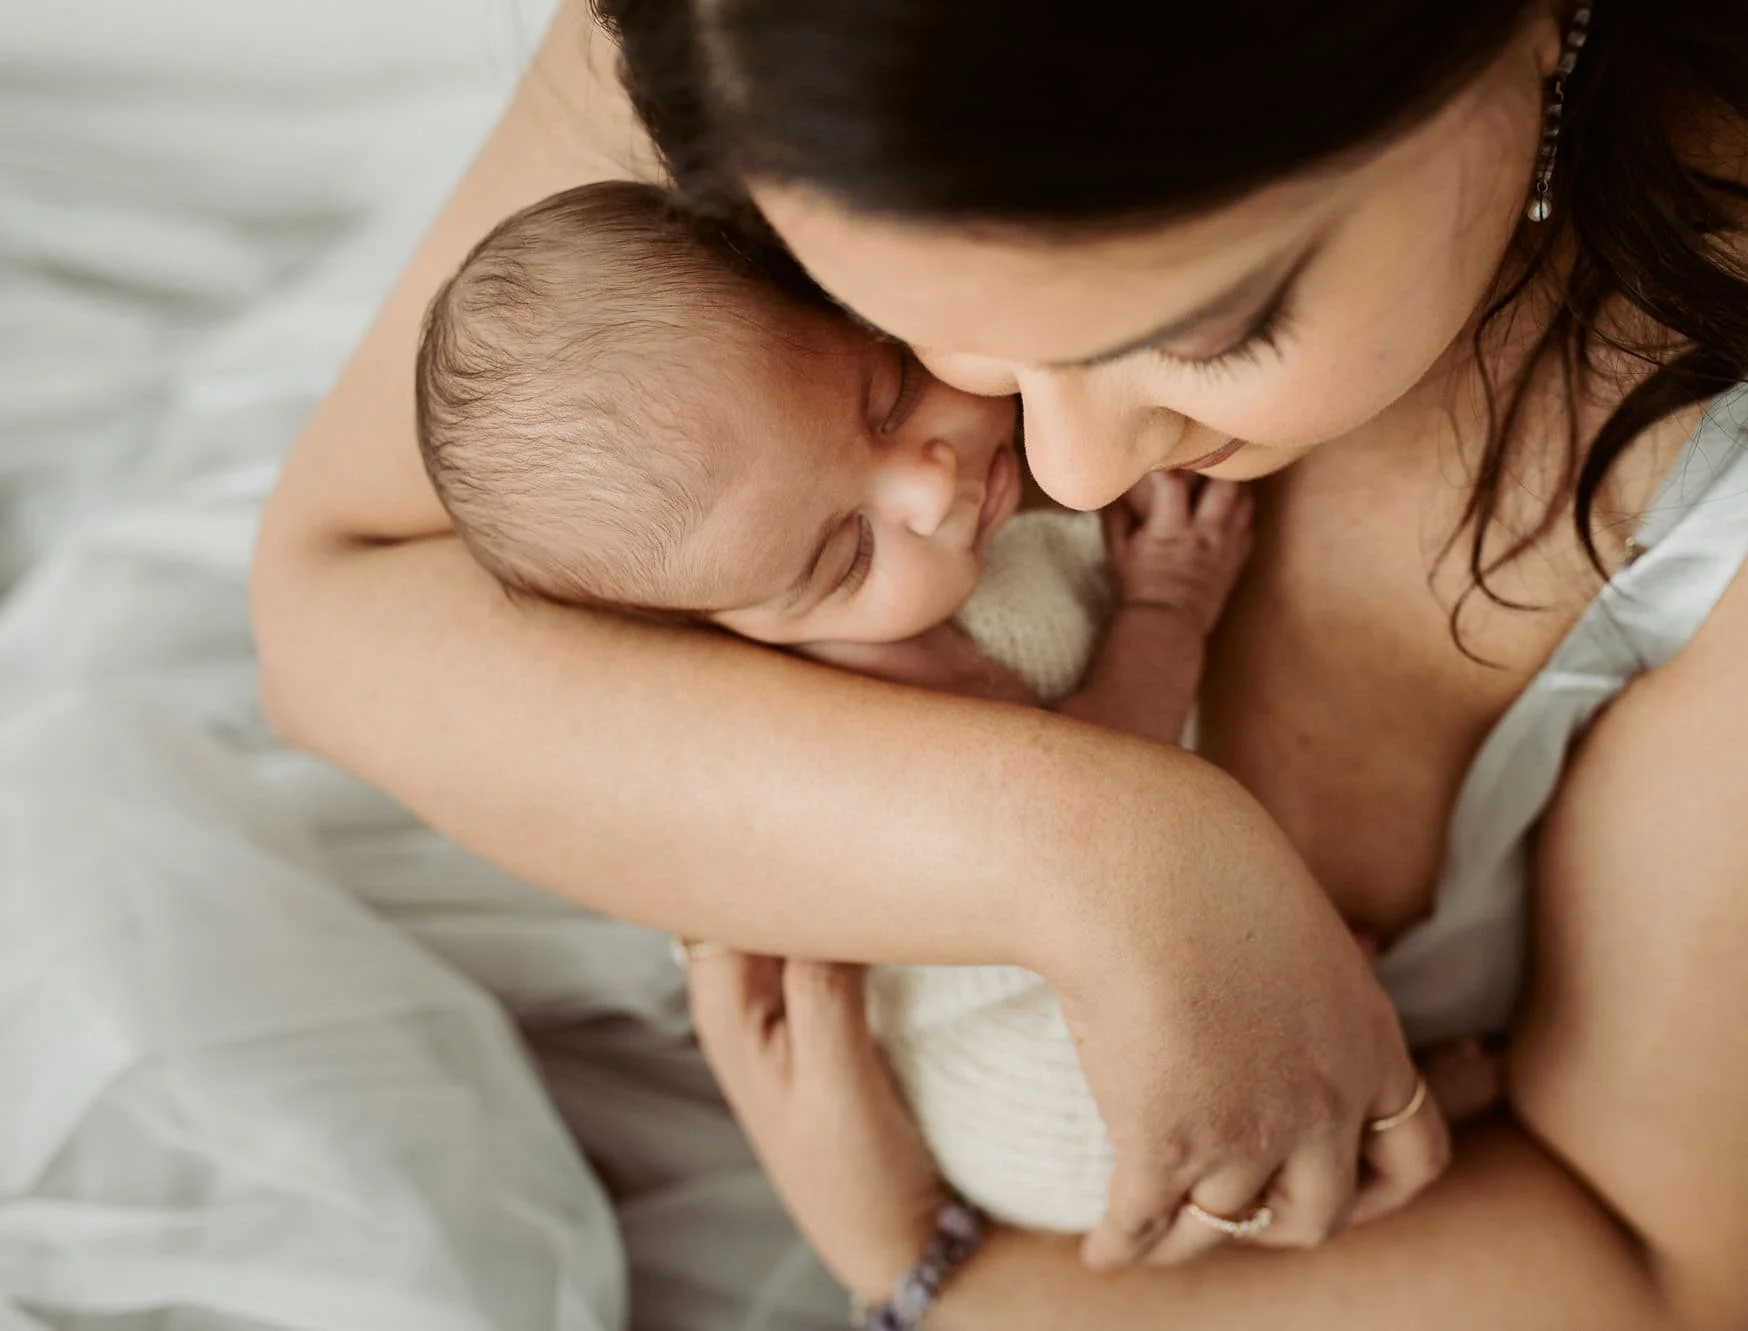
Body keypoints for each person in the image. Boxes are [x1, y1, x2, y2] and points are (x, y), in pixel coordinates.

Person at [251, 0, 1748, 1327]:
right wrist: (1112, 851)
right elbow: (340, 611)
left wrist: (931, 1272)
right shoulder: (769, 31)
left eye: (1216, 325)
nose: (1064, 476)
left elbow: (1649, 1261)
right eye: (912, 324)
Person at [413, 176, 1275, 1233]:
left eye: (884, 393)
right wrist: (1167, 601)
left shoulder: (916, 557)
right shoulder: (890, 674)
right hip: (1043, 1093)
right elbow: (1105, 786)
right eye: (844, 552)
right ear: (736, 628)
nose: (925, 484)